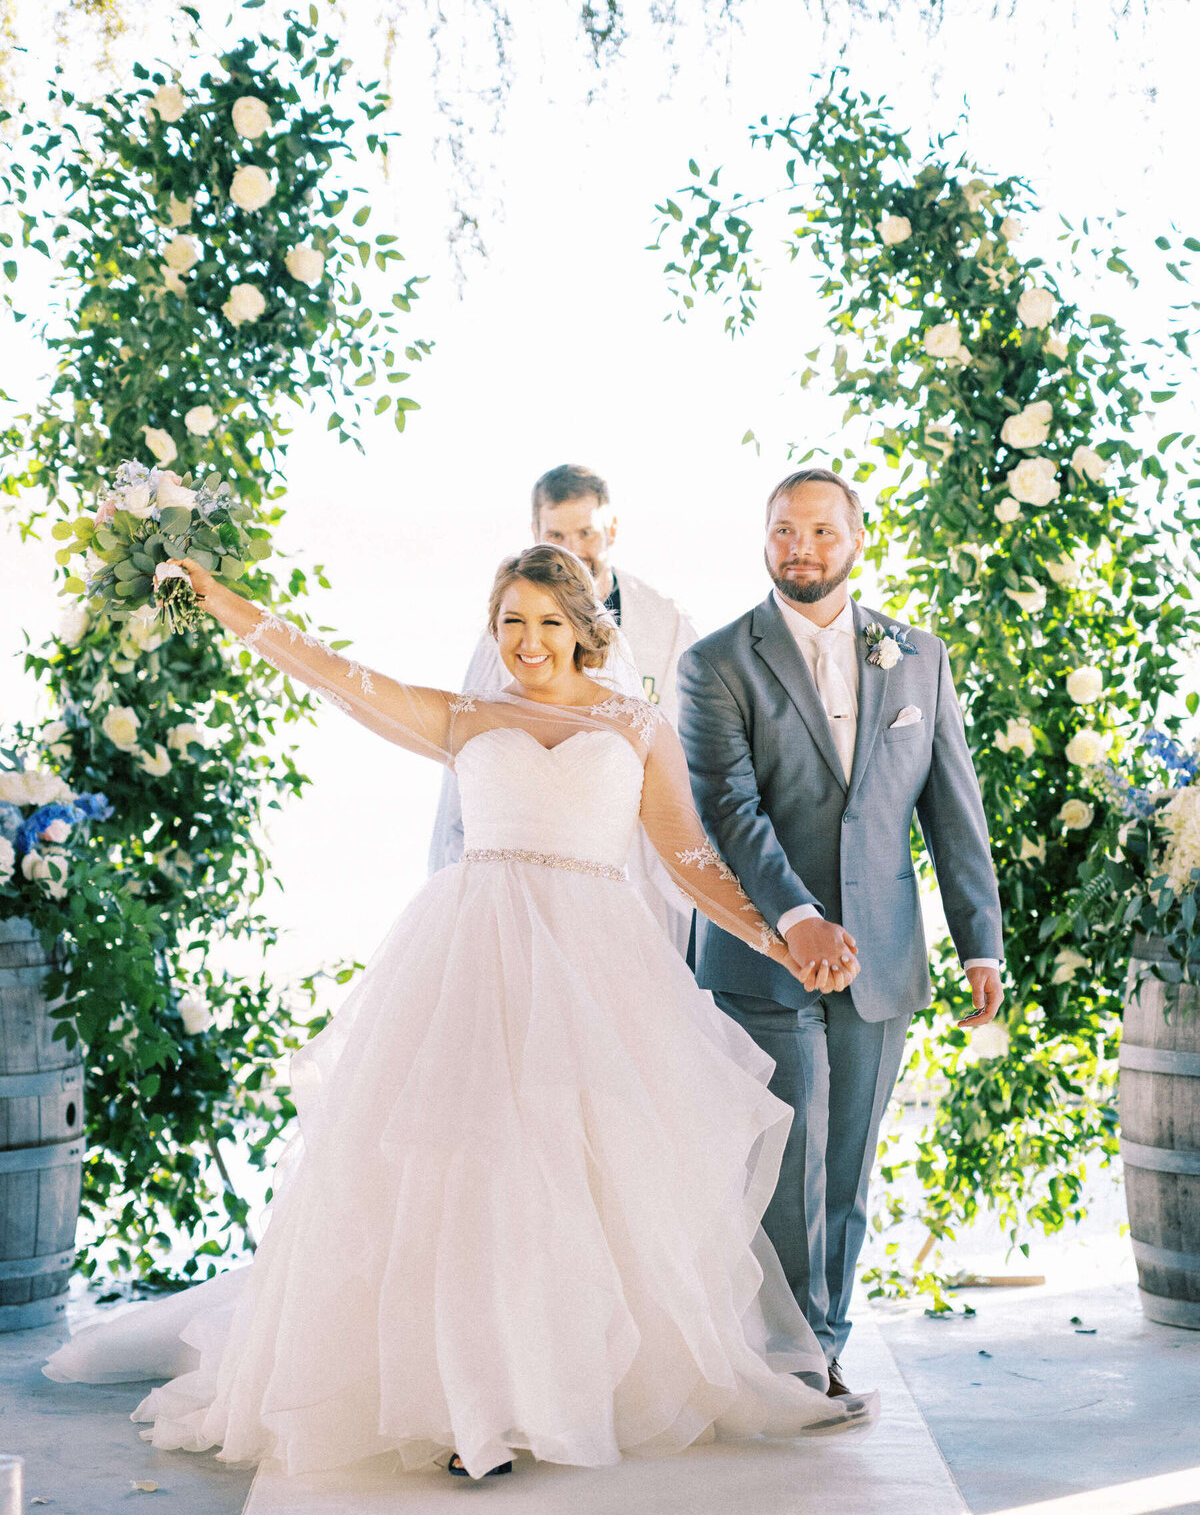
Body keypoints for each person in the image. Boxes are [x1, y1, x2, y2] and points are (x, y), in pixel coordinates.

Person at [45, 544, 874, 1481]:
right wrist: (221, 599)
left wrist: (778, 941)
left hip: (597, 972)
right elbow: (330, 673)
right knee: (469, 1176)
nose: (529, 641)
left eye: (549, 622)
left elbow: (689, 860)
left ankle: (558, 1384)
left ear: (585, 628)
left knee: (578, 1181)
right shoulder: (467, 717)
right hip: (470, 961)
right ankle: (467, 1412)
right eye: (512, 621)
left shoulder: (637, 722)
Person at [677, 469, 1003, 1397]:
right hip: (762, 952)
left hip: (885, 951)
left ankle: (822, 1344)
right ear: (765, 539)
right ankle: (780, 1354)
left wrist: (980, 940)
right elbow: (730, 812)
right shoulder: (715, 663)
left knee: (849, 1160)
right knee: (784, 1161)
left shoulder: (919, 658)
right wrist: (799, 920)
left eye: (821, 530)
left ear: (857, 539)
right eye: (784, 531)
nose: (801, 548)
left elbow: (953, 808)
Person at [428, 467, 699, 960]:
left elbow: (695, 756)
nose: (574, 549)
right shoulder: (508, 635)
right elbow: (469, 749)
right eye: (557, 535)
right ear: (536, 536)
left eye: (586, 533)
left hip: (639, 874)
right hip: (521, 874)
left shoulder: (668, 624)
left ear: (611, 530)